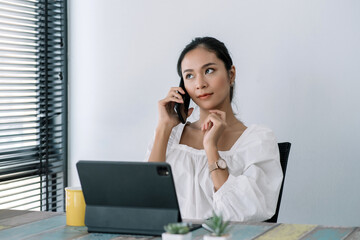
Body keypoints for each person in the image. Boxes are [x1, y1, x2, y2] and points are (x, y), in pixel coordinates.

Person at [146, 37, 283, 222]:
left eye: (209, 70)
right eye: (189, 75)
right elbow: (147, 203)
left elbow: (247, 214)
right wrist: (164, 128)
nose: (200, 83)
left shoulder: (257, 140)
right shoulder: (171, 136)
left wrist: (211, 148)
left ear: (231, 74)